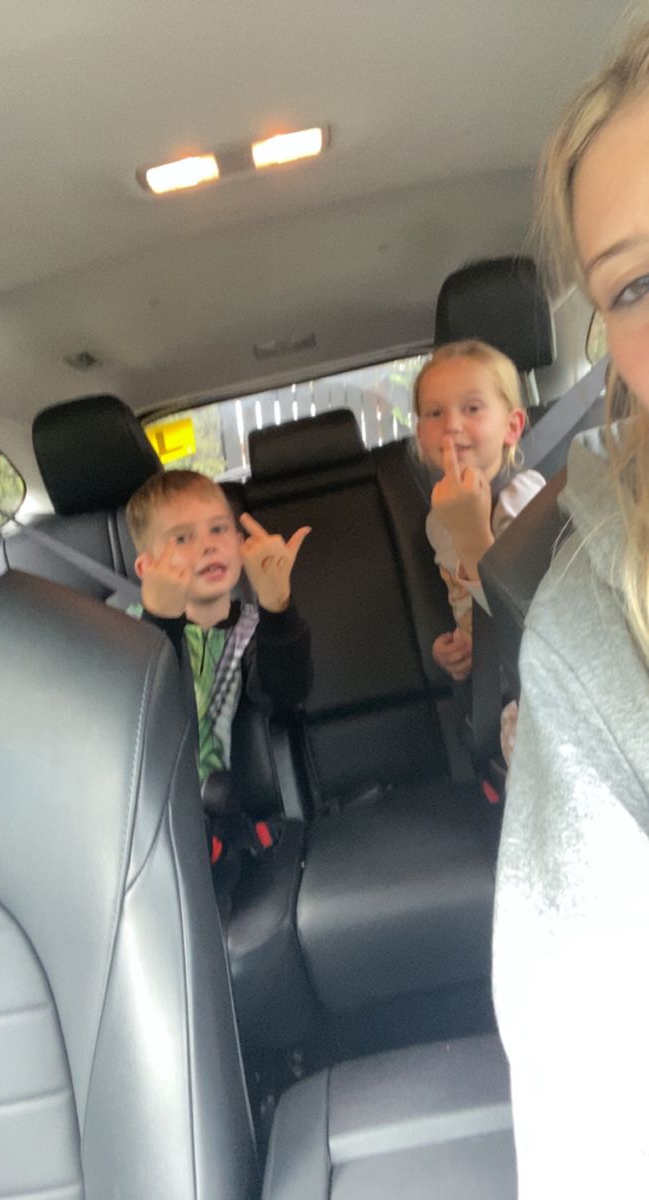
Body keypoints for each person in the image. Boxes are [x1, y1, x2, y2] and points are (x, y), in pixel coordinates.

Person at [492, 22, 649, 1199]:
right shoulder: (593, 628)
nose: (453, 438)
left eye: (476, 415)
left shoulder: (533, 496)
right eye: (637, 283)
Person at [126, 470, 312, 789]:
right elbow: (137, 718)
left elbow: (289, 694)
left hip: (237, 805)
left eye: (218, 529)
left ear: (241, 544)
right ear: (147, 568)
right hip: (155, 803)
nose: (208, 546)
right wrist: (161, 619)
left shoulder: (255, 628)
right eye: (182, 538)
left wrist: (276, 604)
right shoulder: (129, 629)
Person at [414, 339, 545, 688]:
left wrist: (473, 536)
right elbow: (470, 608)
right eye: (435, 413)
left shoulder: (528, 500)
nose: (452, 424)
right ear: (420, 435)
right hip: (495, 678)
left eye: (472, 408)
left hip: (539, 686)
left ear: (512, 427)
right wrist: (462, 649)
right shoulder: (436, 521)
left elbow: (536, 623)